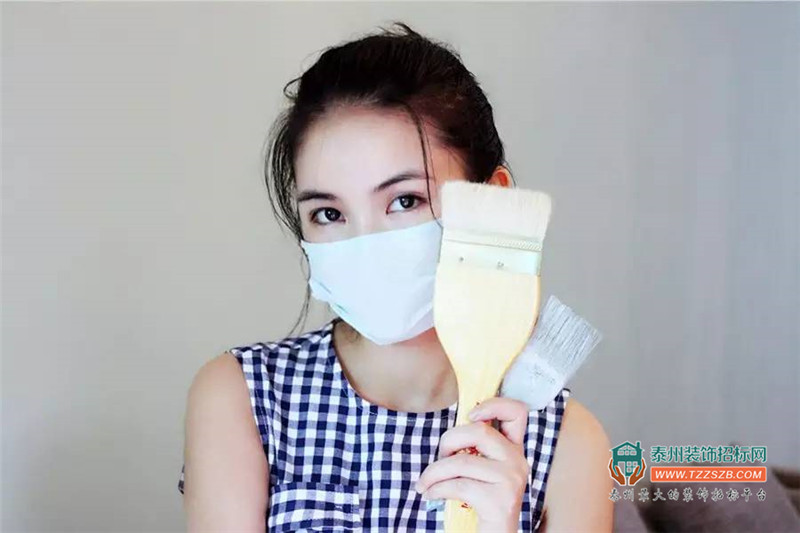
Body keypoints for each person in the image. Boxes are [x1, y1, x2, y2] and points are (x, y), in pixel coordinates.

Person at [179, 21, 613, 532]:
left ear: (491, 198)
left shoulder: (570, 445)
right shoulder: (244, 398)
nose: (366, 246)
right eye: (328, 214)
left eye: (405, 201)